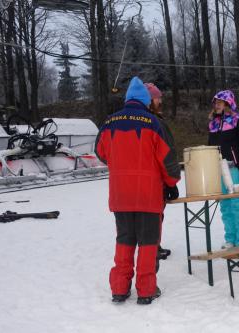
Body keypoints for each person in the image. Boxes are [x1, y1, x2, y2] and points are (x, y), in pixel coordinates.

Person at [95, 76, 180, 305]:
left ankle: (120, 289)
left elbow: (101, 152)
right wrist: (171, 183)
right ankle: (146, 290)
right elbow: (168, 160)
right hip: (148, 195)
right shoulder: (153, 123)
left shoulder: (109, 123)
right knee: (148, 243)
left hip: (120, 195)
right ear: (145, 100)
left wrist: (120, 161)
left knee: (124, 241)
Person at [208, 90, 239, 248]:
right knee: (225, 206)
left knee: (236, 205)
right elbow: (210, 147)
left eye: (220, 102)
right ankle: (230, 239)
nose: (216, 105)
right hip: (218, 168)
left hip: (232, 167)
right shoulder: (213, 123)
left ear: (228, 103)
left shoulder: (238, 120)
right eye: (215, 102)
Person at [144, 82, 177, 268]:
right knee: (155, 215)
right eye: (157, 98)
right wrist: (171, 182)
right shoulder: (155, 122)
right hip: (155, 179)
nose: (160, 101)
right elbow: (167, 153)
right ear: (150, 100)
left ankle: (153, 245)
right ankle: (153, 247)